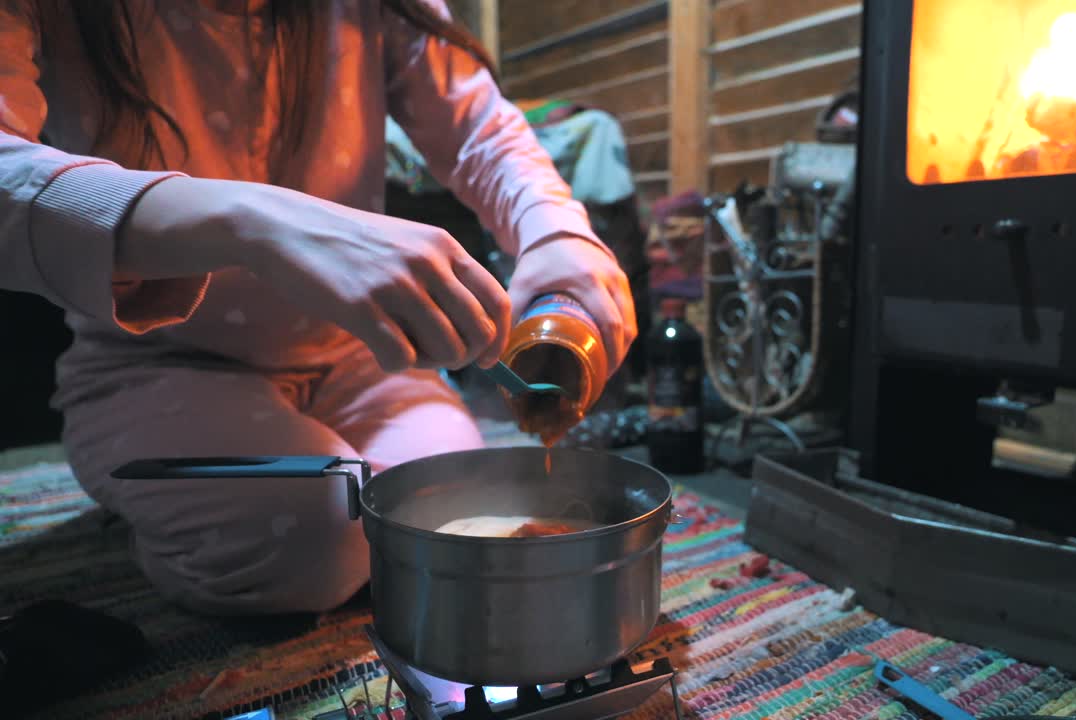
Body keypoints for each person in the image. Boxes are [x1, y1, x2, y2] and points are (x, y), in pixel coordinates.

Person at [0, 0, 637, 614]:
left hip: (361, 365)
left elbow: (480, 126)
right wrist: (255, 221)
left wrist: (556, 233)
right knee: (318, 538)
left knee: (452, 517)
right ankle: (146, 519)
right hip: (157, 365)